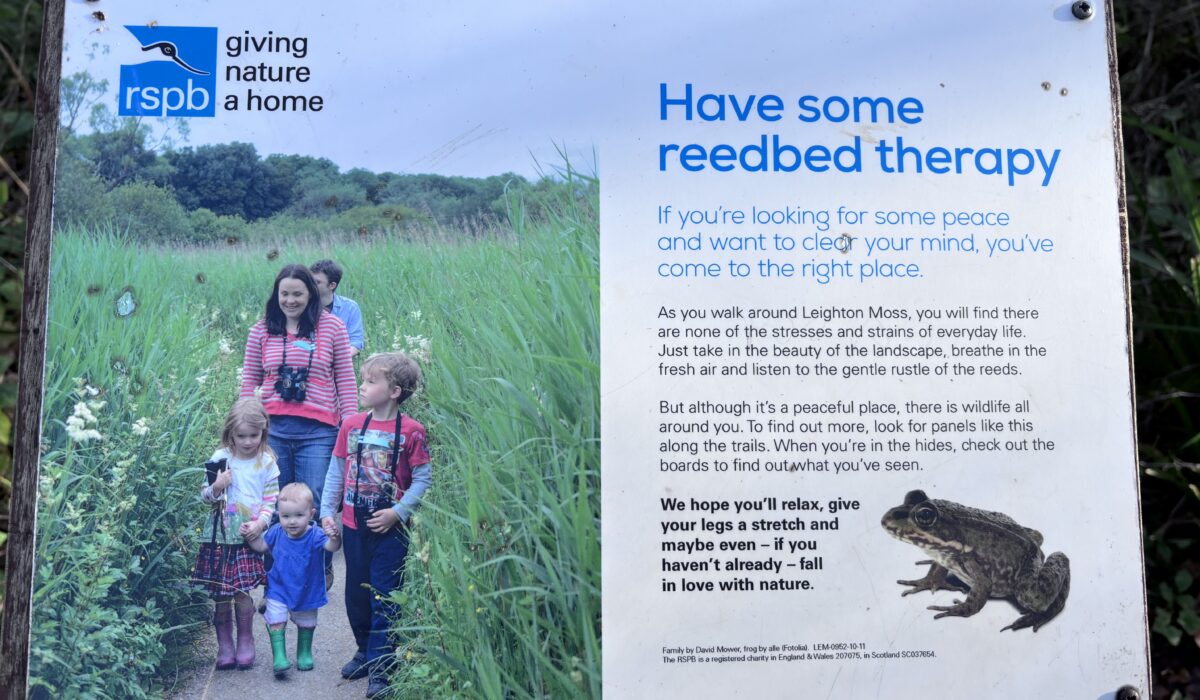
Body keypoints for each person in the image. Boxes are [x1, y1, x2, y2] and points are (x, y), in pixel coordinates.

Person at [321, 352, 431, 699]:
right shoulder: (351, 425)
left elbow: (422, 478)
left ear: (395, 390)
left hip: (391, 530)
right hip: (354, 526)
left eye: (370, 381)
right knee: (355, 594)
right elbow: (337, 471)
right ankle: (365, 650)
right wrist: (328, 511)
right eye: (363, 379)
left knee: (384, 595)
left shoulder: (412, 432)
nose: (362, 385)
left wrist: (398, 511)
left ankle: (383, 666)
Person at [241, 263, 357, 582]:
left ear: (312, 294)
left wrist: (351, 427)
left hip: (319, 432)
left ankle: (317, 569)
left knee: (314, 501)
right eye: (285, 294)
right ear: (276, 294)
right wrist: (242, 425)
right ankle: (278, 575)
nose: (290, 300)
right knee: (277, 504)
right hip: (273, 430)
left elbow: (345, 381)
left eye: (298, 294)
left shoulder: (331, 327)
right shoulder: (261, 330)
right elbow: (249, 380)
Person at [191, 398, 280, 671]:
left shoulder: (266, 461)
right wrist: (217, 486)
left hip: (245, 536)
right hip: (220, 535)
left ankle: (245, 640)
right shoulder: (221, 458)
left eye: (254, 435)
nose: (248, 441)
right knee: (220, 594)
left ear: (263, 432)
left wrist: (261, 524)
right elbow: (205, 496)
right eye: (241, 436)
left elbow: (270, 499)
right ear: (230, 433)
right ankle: (224, 645)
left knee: (242, 592)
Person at [246, 482, 342, 677]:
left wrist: (335, 537)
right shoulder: (276, 532)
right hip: (279, 587)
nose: (292, 521)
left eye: (299, 515)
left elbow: (332, 547)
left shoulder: (315, 535)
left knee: (307, 621)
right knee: (276, 618)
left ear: (311, 514)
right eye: (286, 516)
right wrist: (250, 537)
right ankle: (279, 656)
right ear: (278, 515)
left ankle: (304, 652)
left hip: (307, 588)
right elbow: (262, 546)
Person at [311, 259, 365, 356]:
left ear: (332, 285)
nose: (310, 285)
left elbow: (356, 342)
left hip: (340, 362)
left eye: (317, 282)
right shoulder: (301, 306)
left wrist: (338, 359)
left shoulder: (350, 307)